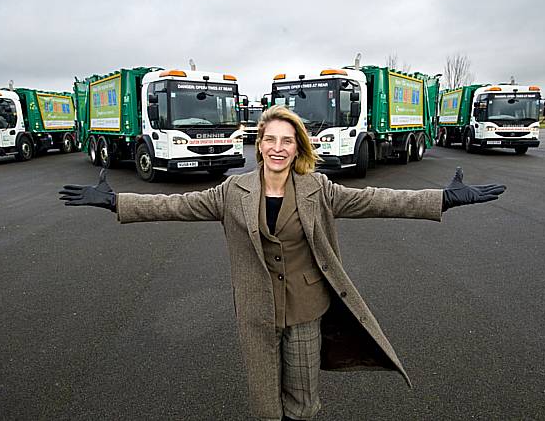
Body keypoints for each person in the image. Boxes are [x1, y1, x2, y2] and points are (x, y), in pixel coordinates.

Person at [59, 106, 505, 420]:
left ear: (297, 148)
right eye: (270, 139)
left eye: (286, 141)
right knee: (264, 402)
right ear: (259, 145)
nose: (277, 147)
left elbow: (376, 199)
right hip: (256, 312)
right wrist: (117, 201)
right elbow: (175, 205)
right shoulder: (231, 192)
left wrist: (442, 198)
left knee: (304, 398)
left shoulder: (320, 189)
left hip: (307, 309)